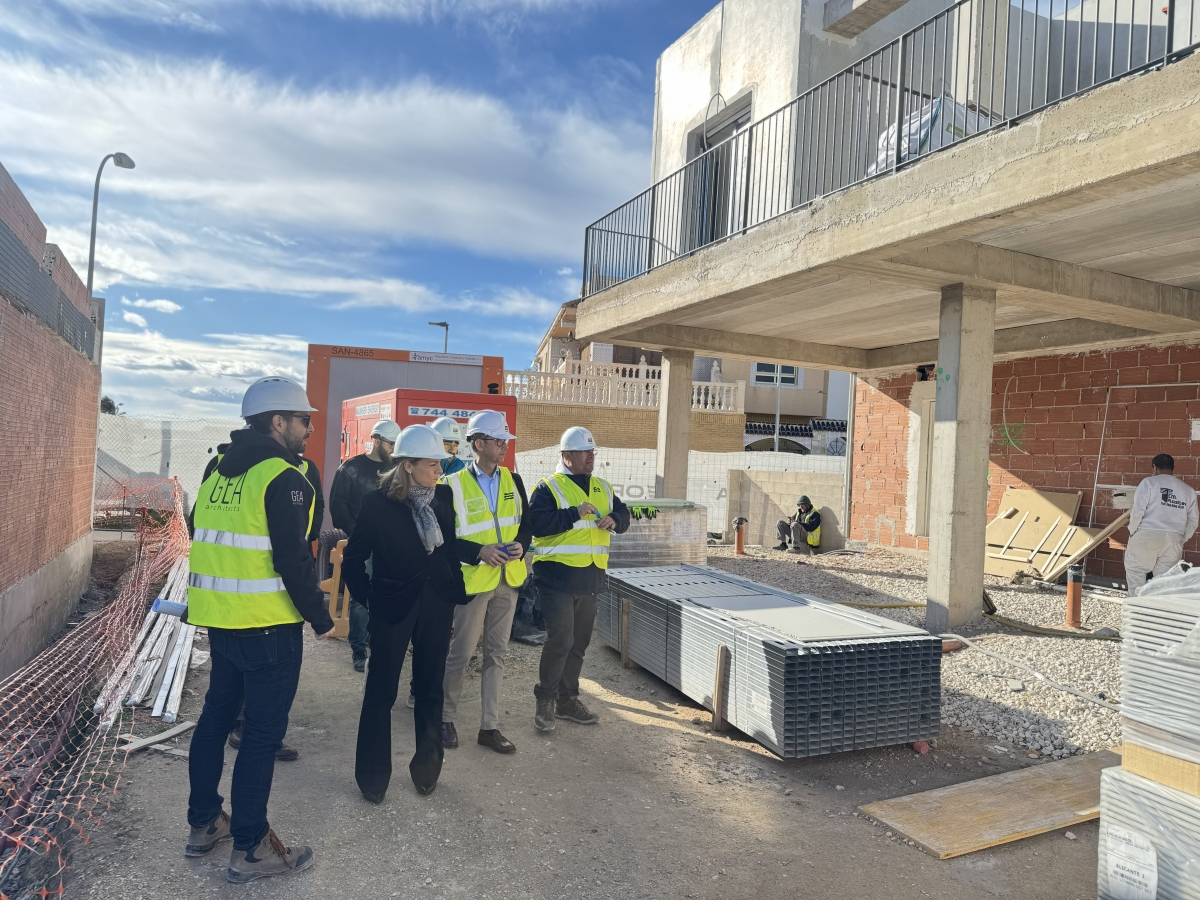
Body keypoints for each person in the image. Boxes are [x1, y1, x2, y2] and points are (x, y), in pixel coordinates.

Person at [184, 376, 334, 883]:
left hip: (221, 620)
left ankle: (204, 823)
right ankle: (250, 848)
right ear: (278, 421)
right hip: (268, 627)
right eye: (304, 420)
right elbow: (295, 559)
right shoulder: (283, 476)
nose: (309, 429)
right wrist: (320, 617)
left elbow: (199, 530)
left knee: (214, 721)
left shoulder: (217, 470)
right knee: (262, 735)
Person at [341, 424, 468, 801]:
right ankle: (373, 775)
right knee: (381, 691)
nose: (440, 470)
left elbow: (449, 548)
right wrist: (369, 598)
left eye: (440, 463)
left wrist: (455, 583)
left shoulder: (442, 497)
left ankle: (427, 768)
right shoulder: (377, 503)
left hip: (436, 605)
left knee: (430, 688)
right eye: (432, 464)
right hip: (392, 606)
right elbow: (353, 559)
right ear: (408, 466)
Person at [440, 411, 531, 755]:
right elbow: (445, 539)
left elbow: (526, 524)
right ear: (478, 444)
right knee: (462, 653)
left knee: (497, 654)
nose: (504, 446)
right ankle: (445, 719)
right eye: (498, 440)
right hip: (474, 583)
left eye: (505, 440)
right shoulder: (451, 486)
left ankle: (489, 727)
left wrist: (521, 544)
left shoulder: (514, 480)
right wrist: (478, 551)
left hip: (508, 580)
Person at [528, 426, 630, 732]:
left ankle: (567, 700)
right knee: (561, 640)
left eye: (591, 452)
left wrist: (615, 520)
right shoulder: (548, 487)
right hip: (556, 578)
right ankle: (546, 701)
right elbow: (537, 524)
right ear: (566, 456)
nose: (590, 457)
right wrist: (574, 512)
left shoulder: (602, 487)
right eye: (583, 452)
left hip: (590, 578)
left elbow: (624, 513)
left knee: (579, 643)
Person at [328, 419, 403, 672]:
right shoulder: (351, 469)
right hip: (364, 545)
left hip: (390, 544)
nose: (393, 449)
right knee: (361, 598)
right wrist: (361, 536)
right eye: (390, 443)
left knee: (387, 593)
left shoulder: (398, 469)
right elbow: (338, 509)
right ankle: (358, 648)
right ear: (377, 440)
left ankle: (377, 641)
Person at [1125, 453, 1198, 591]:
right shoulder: (1188, 490)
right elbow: (1193, 520)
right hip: (1173, 538)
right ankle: (1157, 604)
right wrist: (1182, 539)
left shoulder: (1148, 483)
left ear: (1154, 467)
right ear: (1172, 468)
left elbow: (1138, 511)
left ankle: (1136, 604)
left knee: (1136, 574)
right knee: (1164, 582)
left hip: (1146, 534)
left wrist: (1133, 530)